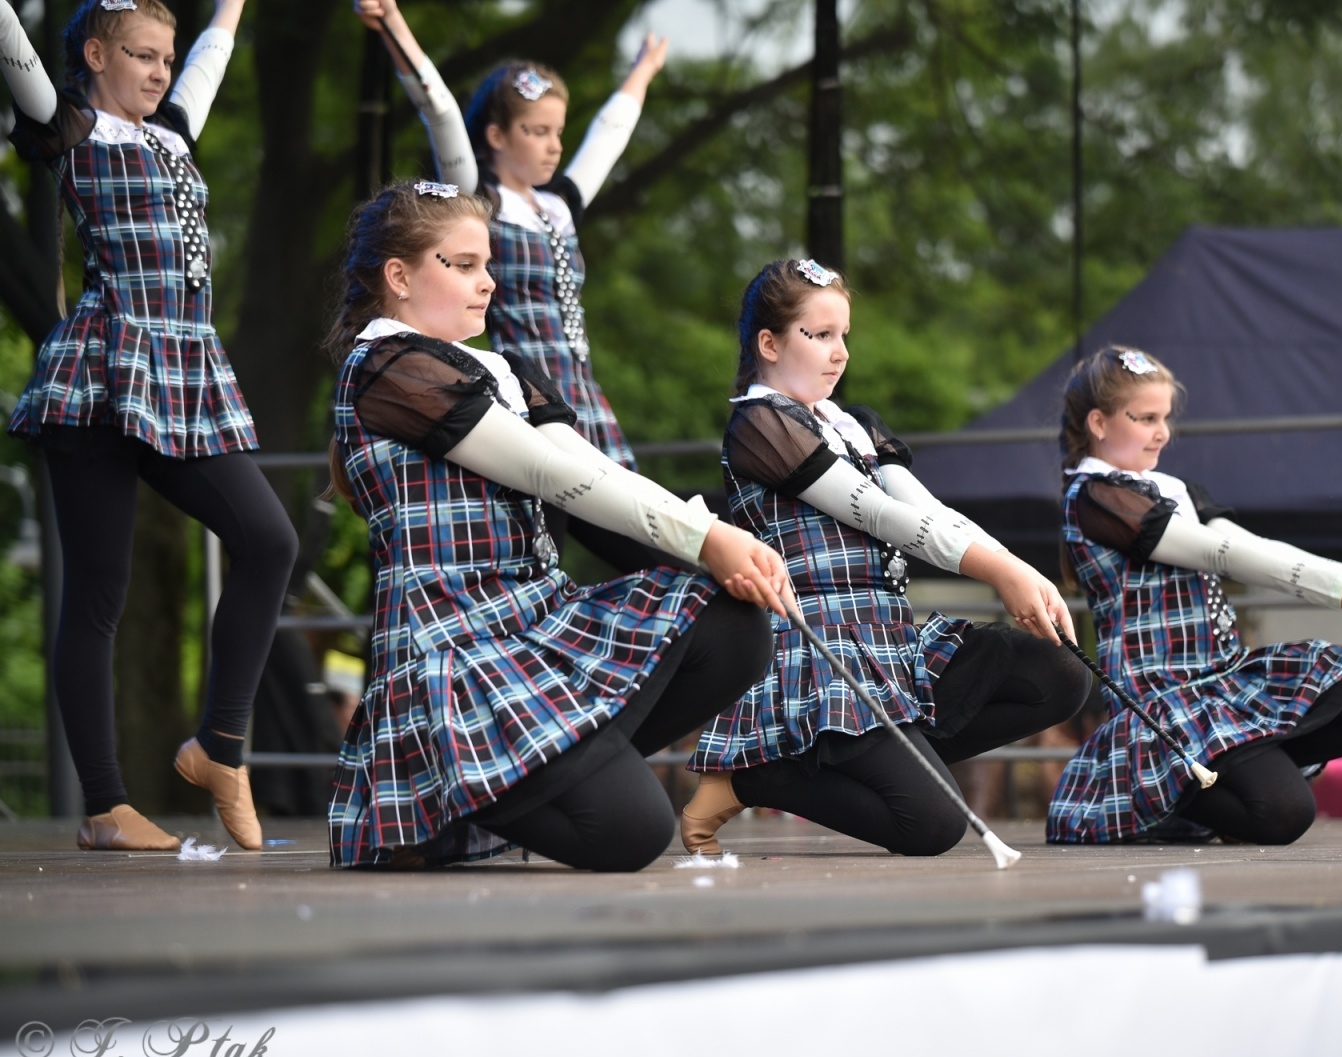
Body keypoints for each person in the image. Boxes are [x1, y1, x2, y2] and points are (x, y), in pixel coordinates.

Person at [324, 180, 790, 871]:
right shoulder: (388, 367)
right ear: (399, 277)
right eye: (463, 265)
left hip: (536, 620)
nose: (487, 283)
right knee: (635, 832)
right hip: (456, 645)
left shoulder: (504, 370)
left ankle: (548, 769)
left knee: (734, 624)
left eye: (487, 264)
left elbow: (593, 467)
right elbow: (548, 473)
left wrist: (719, 537)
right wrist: (705, 539)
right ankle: (462, 784)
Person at [0, 0, 296, 851]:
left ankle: (220, 745)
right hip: (101, 372)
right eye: (141, 55)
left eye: (166, 57)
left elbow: (213, 53)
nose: (162, 71)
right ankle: (107, 807)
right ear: (96, 55)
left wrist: (230, 9)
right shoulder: (73, 126)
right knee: (100, 592)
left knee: (269, 540)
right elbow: (14, 47)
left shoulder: (170, 131)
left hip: (183, 372)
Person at [679, 259, 1094, 857]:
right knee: (934, 826)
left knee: (1060, 674)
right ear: (769, 344)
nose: (840, 352)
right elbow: (877, 512)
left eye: (844, 335)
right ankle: (755, 777)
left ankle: (899, 758)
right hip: (821, 658)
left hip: (893, 643)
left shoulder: (855, 424)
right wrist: (998, 571)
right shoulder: (759, 424)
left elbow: (928, 509)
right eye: (820, 335)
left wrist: (1016, 566)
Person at [355, 0, 669, 571]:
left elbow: (610, 133)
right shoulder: (480, 201)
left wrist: (642, 72)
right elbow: (439, 111)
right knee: (542, 560)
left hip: (584, 402)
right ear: (497, 134)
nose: (553, 145)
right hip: (521, 406)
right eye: (536, 131)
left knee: (656, 552)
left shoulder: (559, 206)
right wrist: (393, 24)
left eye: (558, 132)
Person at [1049, 345, 1342, 845]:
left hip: (1223, 680)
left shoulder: (1172, 488)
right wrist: (1335, 586)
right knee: (1284, 815)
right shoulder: (1096, 497)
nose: (1162, 432)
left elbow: (1249, 544)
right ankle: (1166, 787)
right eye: (1146, 418)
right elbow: (1220, 553)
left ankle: (1240, 772)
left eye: (1165, 418)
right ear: (1099, 423)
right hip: (1163, 698)